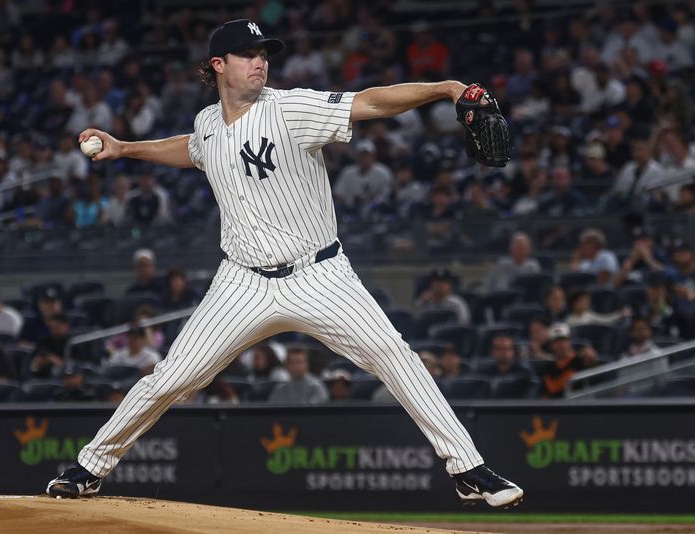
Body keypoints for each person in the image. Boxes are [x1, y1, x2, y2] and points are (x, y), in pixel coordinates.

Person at [47, 19, 523, 507]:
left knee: (395, 356)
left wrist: (445, 88)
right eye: (248, 53)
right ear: (218, 65)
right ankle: (90, 467)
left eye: (264, 53)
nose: (260, 61)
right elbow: (193, 151)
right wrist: (127, 148)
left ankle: (468, 468)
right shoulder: (208, 124)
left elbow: (371, 101)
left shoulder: (291, 107)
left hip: (320, 274)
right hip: (242, 282)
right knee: (172, 377)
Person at [540, 323, 599, 398]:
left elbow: (596, 382)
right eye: (556, 341)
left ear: (570, 341)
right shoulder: (548, 369)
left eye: (564, 340)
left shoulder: (582, 361)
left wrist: (592, 363)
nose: (561, 345)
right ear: (551, 345)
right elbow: (547, 394)